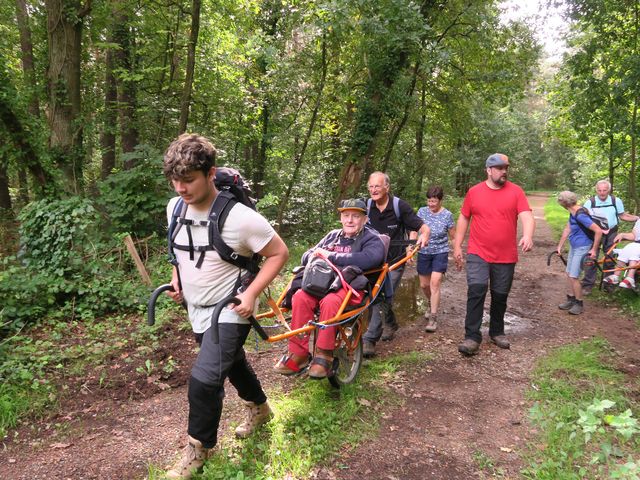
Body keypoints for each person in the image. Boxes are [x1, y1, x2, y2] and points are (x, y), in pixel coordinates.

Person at [162, 134, 289, 479]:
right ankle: (260, 409)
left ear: (210, 172)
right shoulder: (174, 208)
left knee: (204, 380)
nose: (181, 188)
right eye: (175, 180)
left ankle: (197, 451)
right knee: (230, 363)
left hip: (231, 306)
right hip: (197, 307)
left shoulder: (240, 218)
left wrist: (250, 296)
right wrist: (177, 279)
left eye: (188, 180)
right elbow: (177, 249)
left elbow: (279, 253)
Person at [274, 199, 386, 378]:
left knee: (330, 301)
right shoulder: (332, 236)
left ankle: (323, 355)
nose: (350, 220)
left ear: (364, 219)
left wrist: (332, 256)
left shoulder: (371, 238)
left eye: (355, 216)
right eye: (346, 215)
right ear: (341, 217)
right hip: (321, 283)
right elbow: (307, 256)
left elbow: (370, 259)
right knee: (300, 297)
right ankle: (299, 354)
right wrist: (314, 255)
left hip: (349, 288)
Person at [453, 153, 534, 356]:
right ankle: (472, 337)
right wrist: (457, 246)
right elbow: (464, 218)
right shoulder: (474, 192)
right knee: (476, 290)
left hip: (506, 255)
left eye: (505, 167)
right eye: (499, 168)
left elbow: (526, 215)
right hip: (478, 252)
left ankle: (497, 331)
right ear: (488, 170)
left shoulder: (516, 192)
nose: (504, 171)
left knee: (500, 295)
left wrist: (528, 235)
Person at [361, 172, 430, 358]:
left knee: (380, 295)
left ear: (387, 188)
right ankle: (390, 323)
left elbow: (421, 227)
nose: (373, 190)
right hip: (372, 261)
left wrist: (424, 235)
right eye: (371, 187)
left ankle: (369, 339)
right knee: (372, 295)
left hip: (394, 262)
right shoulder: (365, 207)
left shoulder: (400, 206)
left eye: (377, 186)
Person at [581, 180, 639, 295]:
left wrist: (638, 218)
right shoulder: (589, 202)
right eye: (599, 190)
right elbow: (584, 219)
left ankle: (609, 284)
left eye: (604, 190)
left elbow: (622, 216)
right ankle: (587, 285)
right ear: (596, 190)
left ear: (609, 190)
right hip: (594, 232)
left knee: (609, 257)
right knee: (591, 257)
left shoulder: (615, 201)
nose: (602, 193)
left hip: (612, 231)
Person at [555, 191, 604, 314]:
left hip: (583, 247)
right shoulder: (573, 212)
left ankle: (579, 303)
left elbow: (598, 231)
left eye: (560, 202)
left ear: (565, 203)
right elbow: (568, 228)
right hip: (574, 246)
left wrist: (593, 249)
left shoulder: (580, 214)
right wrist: (559, 246)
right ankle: (571, 299)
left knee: (574, 275)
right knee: (568, 273)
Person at [415, 186, 456, 332]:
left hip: (441, 252)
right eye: (429, 201)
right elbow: (414, 229)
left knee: (435, 283)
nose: (431, 204)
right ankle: (430, 301)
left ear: (440, 200)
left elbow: (453, 236)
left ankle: (433, 317)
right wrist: (410, 249)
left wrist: (457, 252)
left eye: (434, 201)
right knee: (424, 286)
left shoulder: (447, 215)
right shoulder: (421, 212)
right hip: (424, 252)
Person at [602, 219, 640, 289]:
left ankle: (630, 278)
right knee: (628, 247)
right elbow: (634, 236)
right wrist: (622, 235)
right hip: (637, 244)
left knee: (635, 250)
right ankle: (616, 276)